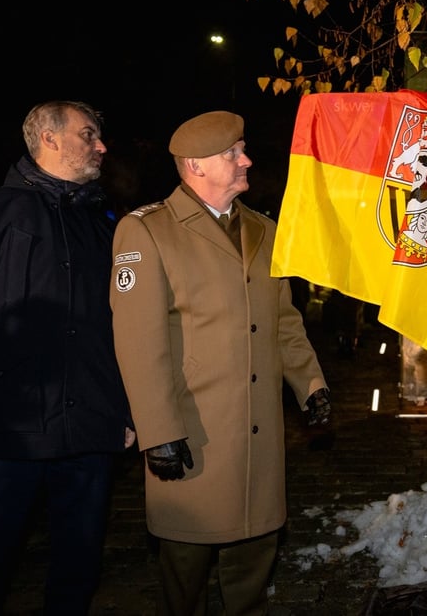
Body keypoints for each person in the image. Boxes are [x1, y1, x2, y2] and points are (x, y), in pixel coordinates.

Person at [109, 110, 332, 616]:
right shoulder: (147, 232)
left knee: (254, 556)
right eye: (232, 154)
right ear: (195, 166)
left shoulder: (262, 229)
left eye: (243, 149)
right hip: (195, 429)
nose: (245, 160)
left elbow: (282, 319)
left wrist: (310, 383)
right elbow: (138, 341)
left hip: (257, 427)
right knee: (185, 566)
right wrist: (158, 430)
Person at [0, 100, 136, 614]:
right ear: (49, 138)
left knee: (78, 569)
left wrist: (128, 410)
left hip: (90, 425)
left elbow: (126, 326)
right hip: (6, 429)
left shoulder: (109, 224)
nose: (101, 146)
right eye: (89, 135)